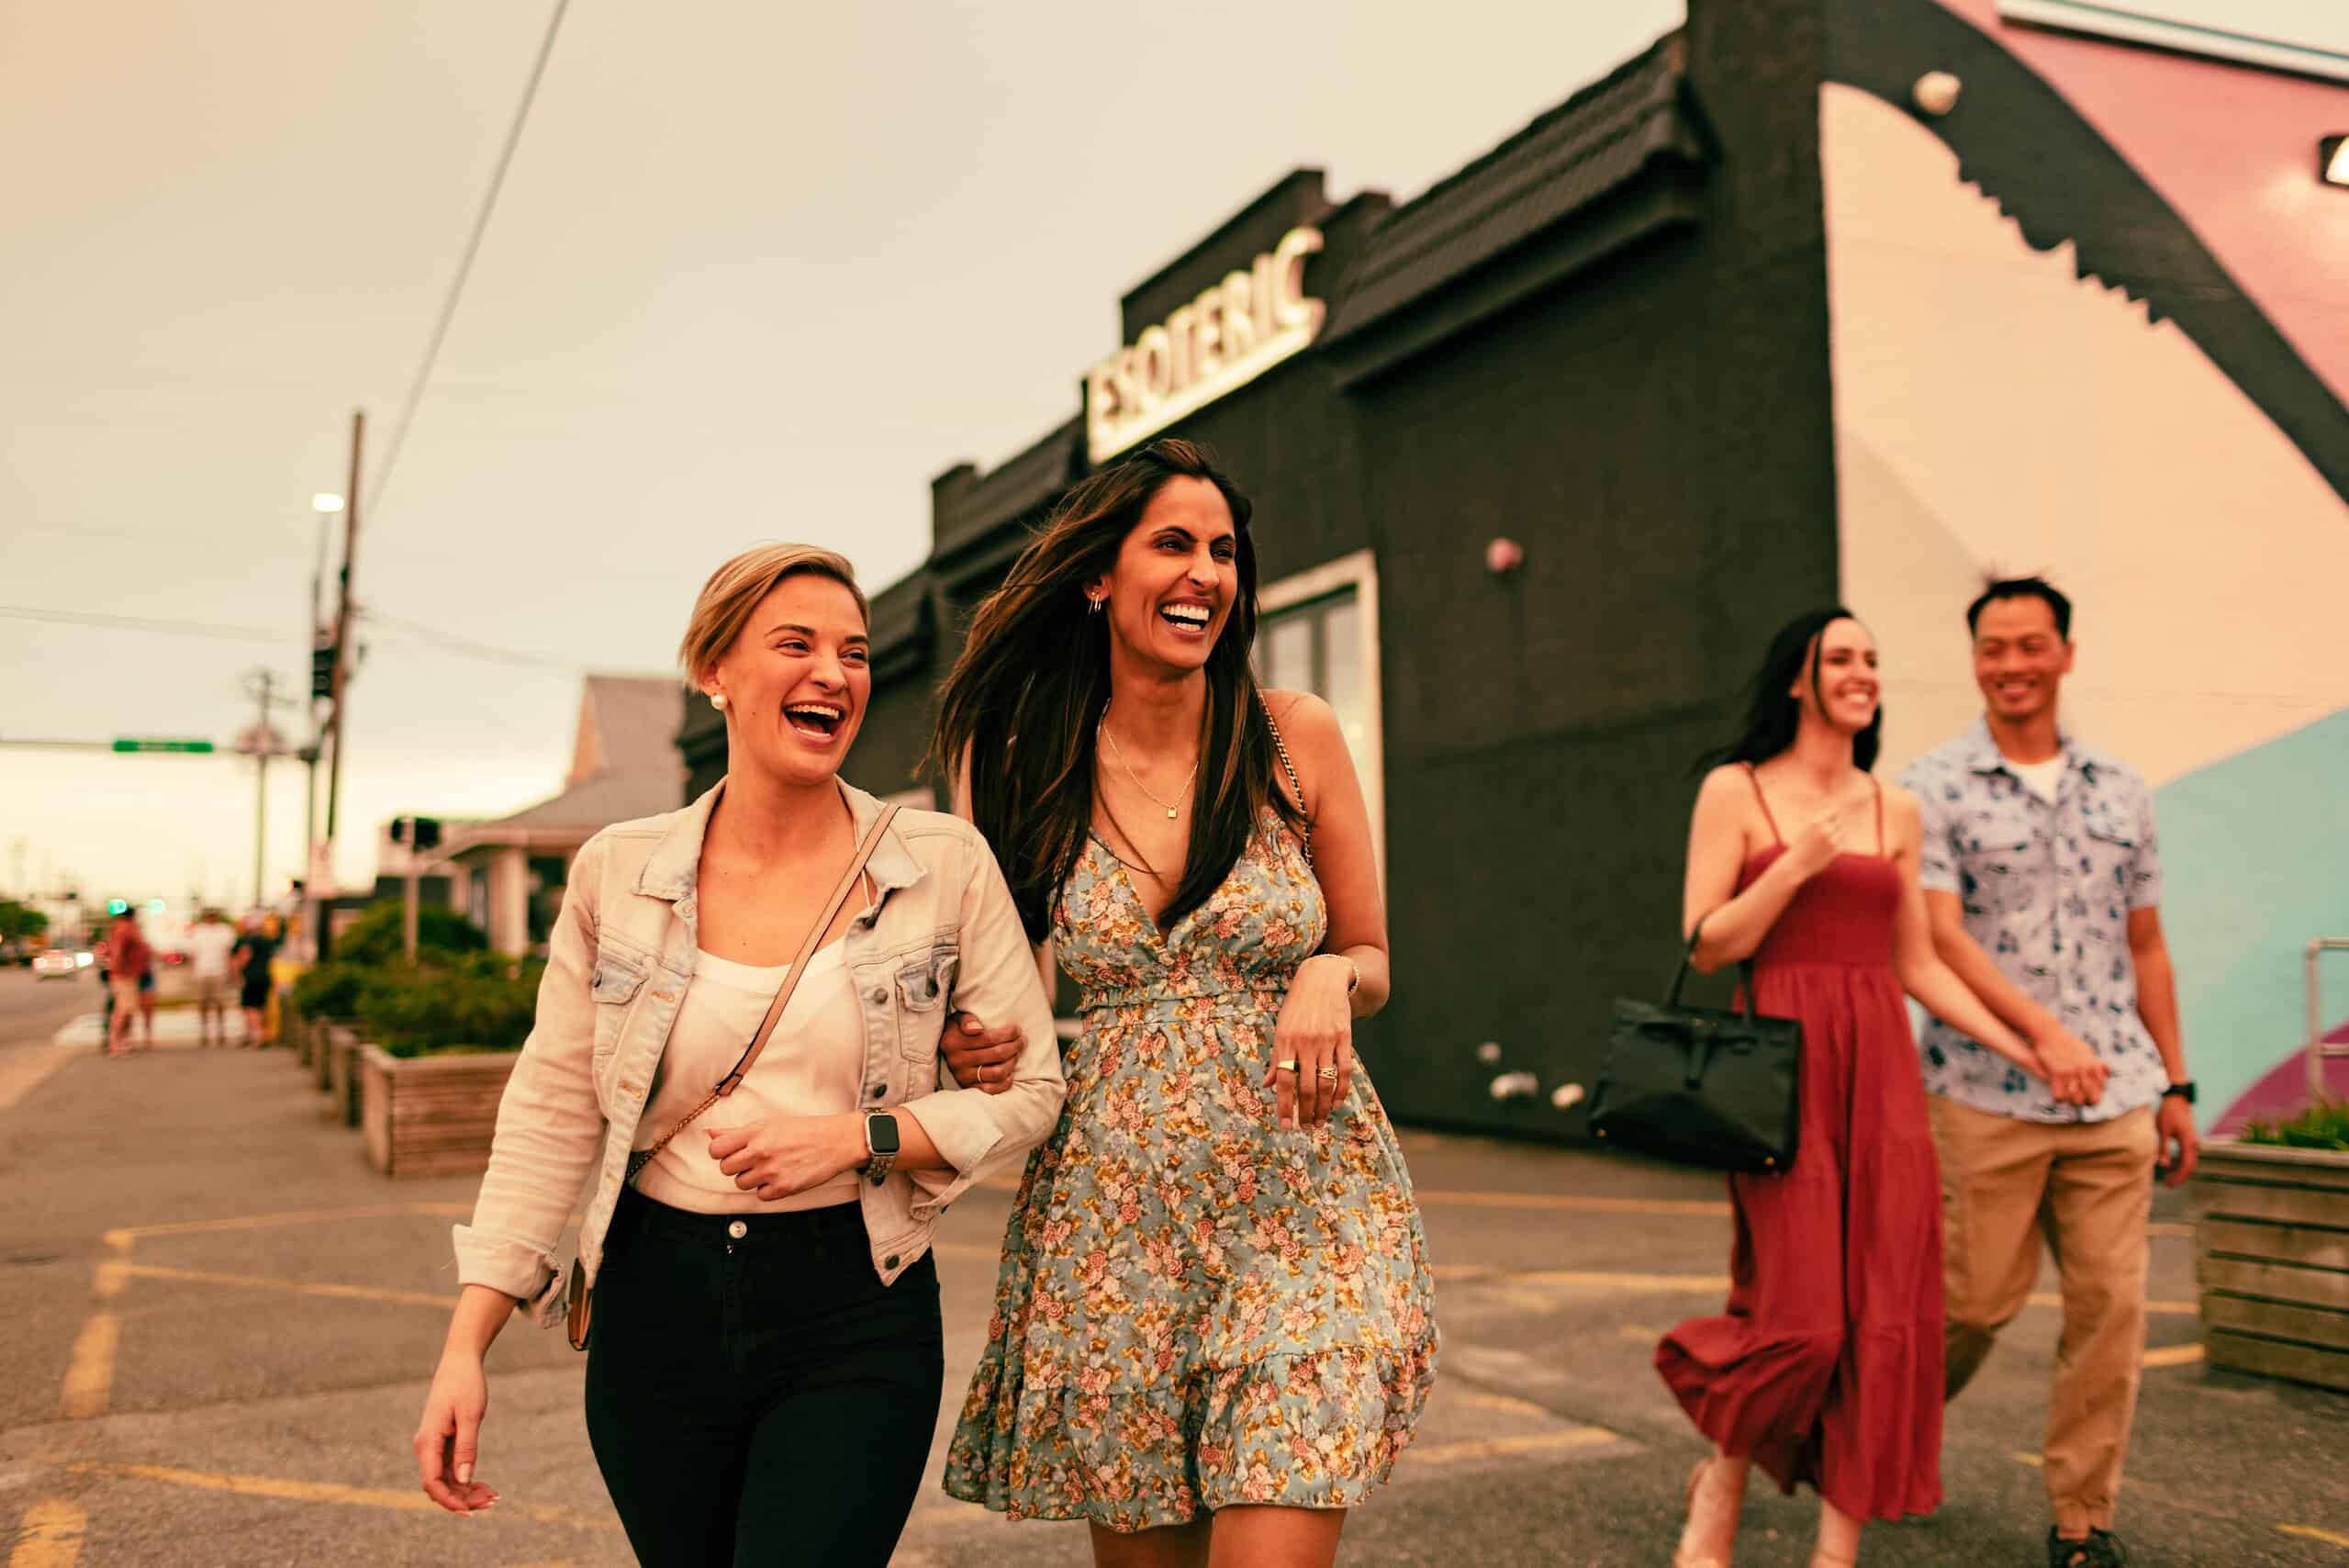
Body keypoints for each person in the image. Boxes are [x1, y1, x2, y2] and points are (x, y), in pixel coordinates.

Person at [411, 543, 1065, 1568]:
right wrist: (466, 1344)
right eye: (795, 644)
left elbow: (1032, 1091)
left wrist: (857, 1137)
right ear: (714, 670)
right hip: (654, 1309)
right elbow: (552, 1108)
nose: (833, 674)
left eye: (853, 652)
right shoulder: (619, 871)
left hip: (854, 1304)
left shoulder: (940, 862)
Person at [935, 438, 1437, 1568]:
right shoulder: (1025, 761)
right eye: (1174, 543)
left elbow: (1369, 952)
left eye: (1224, 551)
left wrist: (1326, 973)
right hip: (1118, 1229)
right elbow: (1000, 986)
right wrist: (975, 1042)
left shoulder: (1292, 735)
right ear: (1098, 575)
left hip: (1306, 1206)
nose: (1206, 573)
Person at [1658, 607, 2076, 1568]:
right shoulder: (1736, 788)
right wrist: (1795, 870)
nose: (1862, 672)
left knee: (1883, 1320)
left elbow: (1916, 964)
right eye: (1840, 657)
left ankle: (1834, 1553)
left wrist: (2024, 1047)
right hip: (1780, 1076)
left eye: (1872, 659)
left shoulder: (1897, 807)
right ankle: (1720, 1481)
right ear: (1796, 679)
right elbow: (1707, 942)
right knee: (1800, 1324)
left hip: (1881, 1076)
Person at [1898, 578, 2198, 1568]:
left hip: (2114, 1096)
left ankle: (2081, 1521)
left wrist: (2177, 1084)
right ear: (1974, 659)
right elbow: (1940, 938)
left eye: (2030, 645)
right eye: (1993, 648)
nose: (2011, 665)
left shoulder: (2122, 789)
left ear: (2064, 653)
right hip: (1984, 1094)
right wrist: (2042, 1040)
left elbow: (2145, 945)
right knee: (1973, 1306)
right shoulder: (1932, 786)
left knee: (2112, 1312)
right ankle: (1871, 1430)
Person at [104, 911, 151, 1055]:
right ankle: (115, 1043)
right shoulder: (124, 929)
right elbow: (117, 953)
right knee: (122, 1009)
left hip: (128, 975)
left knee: (127, 1009)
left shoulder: (121, 929)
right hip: (124, 975)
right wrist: (119, 970)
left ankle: (121, 1041)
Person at [188, 909, 236, 1047]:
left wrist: (231, 971)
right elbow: (193, 953)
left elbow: (229, 952)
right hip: (202, 971)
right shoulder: (198, 931)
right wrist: (193, 971)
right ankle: (204, 1033)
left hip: (219, 971)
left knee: (220, 1003)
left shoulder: (224, 931)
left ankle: (221, 1032)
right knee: (202, 1004)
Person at [229, 913, 278, 1047]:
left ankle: (257, 1037)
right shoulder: (268, 940)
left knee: (250, 1008)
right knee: (261, 1007)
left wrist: (237, 974)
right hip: (265, 976)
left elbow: (244, 957)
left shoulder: (249, 941)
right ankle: (261, 1035)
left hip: (251, 977)